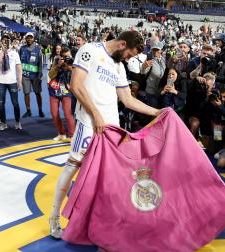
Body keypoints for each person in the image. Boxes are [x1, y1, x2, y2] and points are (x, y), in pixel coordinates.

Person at [49, 31, 162, 239]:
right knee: (73, 166)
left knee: (109, 176)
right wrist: (96, 115)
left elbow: (128, 100)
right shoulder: (89, 50)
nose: (128, 58)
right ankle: (55, 216)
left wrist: (157, 112)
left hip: (111, 128)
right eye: (129, 54)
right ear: (121, 44)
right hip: (89, 123)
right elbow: (76, 85)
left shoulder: (119, 66)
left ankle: (102, 221)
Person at [0, 34, 23, 131]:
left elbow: (19, 68)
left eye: (7, 40)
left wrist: (20, 81)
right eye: (4, 40)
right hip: (0, 81)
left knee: (15, 103)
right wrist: (3, 51)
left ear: (10, 41)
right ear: (1, 42)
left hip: (12, 81)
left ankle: (17, 122)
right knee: (1, 103)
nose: (5, 42)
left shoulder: (15, 53)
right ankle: (3, 123)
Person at [47, 47, 75, 140]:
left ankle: (72, 136)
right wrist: (58, 65)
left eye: (68, 56)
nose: (67, 58)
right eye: (65, 57)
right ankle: (61, 133)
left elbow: (77, 74)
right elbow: (50, 75)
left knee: (68, 114)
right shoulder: (56, 61)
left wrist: (69, 67)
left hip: (66, 91)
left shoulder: (73, 61)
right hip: (54, 90)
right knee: (54, 113)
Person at [19, 32, 44, 118]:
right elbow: (18, 62)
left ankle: (40, 110)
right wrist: (19, 75)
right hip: (25, 75)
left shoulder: (38, 49)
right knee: (26, 93)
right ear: (25, 39)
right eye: (28, 38)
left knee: (37, 93)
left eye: (31, 38)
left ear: (33, 39)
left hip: (35, 76)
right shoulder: (22, 49)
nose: (29, 39)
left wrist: (40, 74)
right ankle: (28, 110)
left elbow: (40, 63)